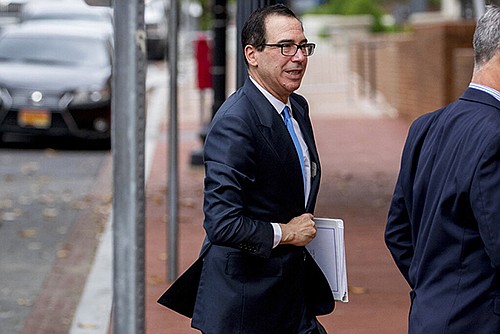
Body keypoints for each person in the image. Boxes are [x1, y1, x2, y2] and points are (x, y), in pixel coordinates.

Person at [192, 4, 334, 334]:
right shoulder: (235, 123)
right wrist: (287, 232)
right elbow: (222, 223)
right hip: (247, 304)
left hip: (292, 296)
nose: (298, 57)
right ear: (252, 54)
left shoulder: (297, 107)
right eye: (285, 47)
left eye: (303, 46)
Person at [385, 5, 500, 333]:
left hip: (428, 315)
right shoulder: (495, 135)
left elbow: (397, 232)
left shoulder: (425, 126)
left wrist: (437, 291)